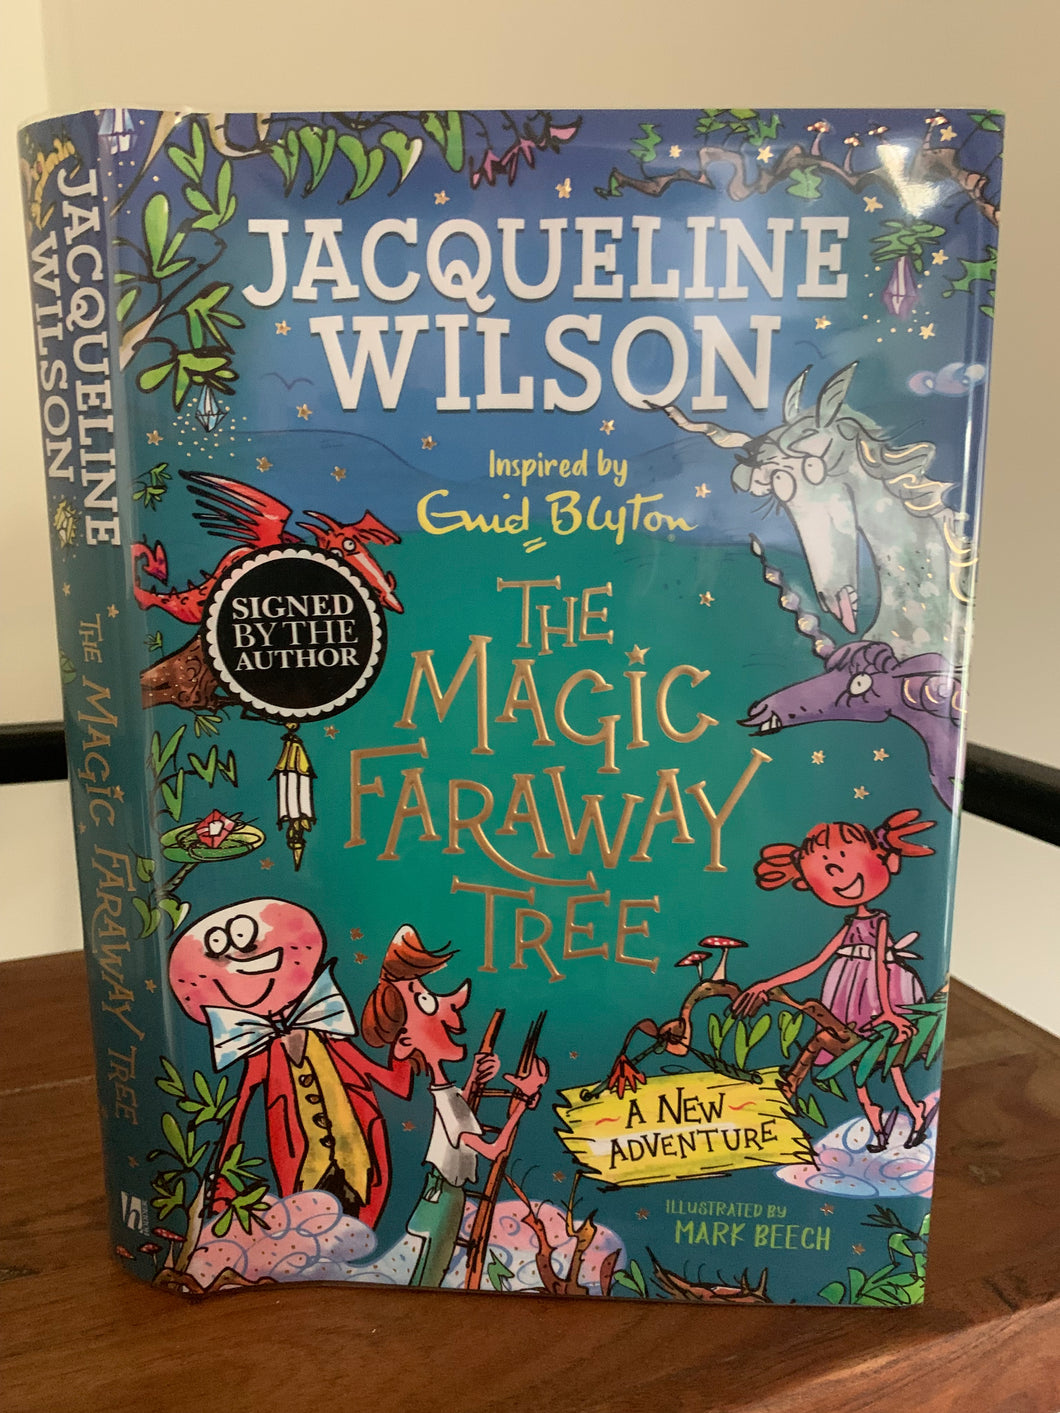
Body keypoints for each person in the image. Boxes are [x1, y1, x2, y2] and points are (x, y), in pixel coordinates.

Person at [169, 897, 413, 1225]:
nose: (240, 958)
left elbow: (396, 1084)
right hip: (299, 1174)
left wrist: (406, 1049)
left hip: (361, 1165)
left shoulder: (333, 1039)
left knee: (359, 1228)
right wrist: (224, 1180)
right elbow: (237, 1117)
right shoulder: (259, 1056)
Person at [732, 808, 937, 1151]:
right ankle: (878, 1128)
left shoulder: (879, 920)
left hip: (879, 991)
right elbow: (814, 963)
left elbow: (879, 964)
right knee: (856, 1063)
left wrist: (888, 1011)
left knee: (891, 1064)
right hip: (847, 992)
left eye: (845, 861)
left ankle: (915, 1112)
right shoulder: (849, 925)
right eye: (825, 871)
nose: (838, 876)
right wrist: (766, 983)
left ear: (881, 859)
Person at [361, 925, 549, 1287]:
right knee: (431, 1276)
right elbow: (492, 1151)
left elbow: (460, 1104)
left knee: (430, 1273)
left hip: (443, 1195)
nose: (448, 1004)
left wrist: (476, 1077)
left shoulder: (447, 1095)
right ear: (405, 1042)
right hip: (444, 1198)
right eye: (424, 1000)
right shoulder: (446, 1105)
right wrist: (522, 1105)